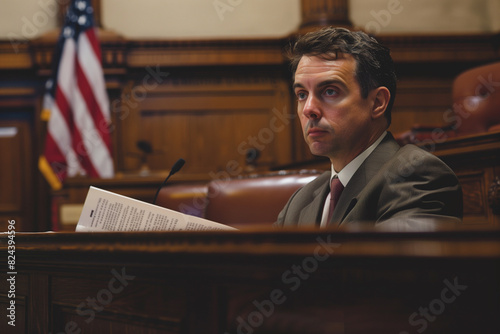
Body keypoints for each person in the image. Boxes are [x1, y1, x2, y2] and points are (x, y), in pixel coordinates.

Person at [275, 27, 463, 229]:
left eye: (330, 91)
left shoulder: (417, 176)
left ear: (377, 103)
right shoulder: (300, 200)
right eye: (302, 94)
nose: (309, 109)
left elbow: (389, 261)